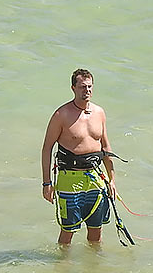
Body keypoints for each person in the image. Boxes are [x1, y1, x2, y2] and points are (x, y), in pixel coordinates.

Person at [41, 69, 118, 246]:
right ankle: (64, 262)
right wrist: (46, 183)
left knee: (96, 231)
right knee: (68, 232)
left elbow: (106, 147)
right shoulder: (61, 115)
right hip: (70, 181)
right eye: (83, 87)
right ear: (73, 88)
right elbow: (46, 148)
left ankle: (93, 262)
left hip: (96, 179)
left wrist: (112, 180)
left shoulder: (99, 113)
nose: (87, 90)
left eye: (90, 87)